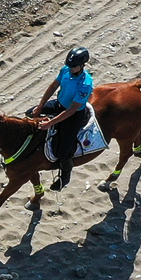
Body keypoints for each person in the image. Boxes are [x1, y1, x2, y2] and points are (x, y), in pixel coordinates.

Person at [30, 46, 96, 190]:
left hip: (73, 115)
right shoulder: (65, 70)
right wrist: (40, 106)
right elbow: (53, 86)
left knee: (62, 152)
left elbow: (72, 109)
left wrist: (50, 123)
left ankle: (65, 176)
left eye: (74, 66)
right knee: (30, 113)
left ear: (82, 65)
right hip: (59, 104)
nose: (71, 68)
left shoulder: (85, 84)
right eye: (70, 65)